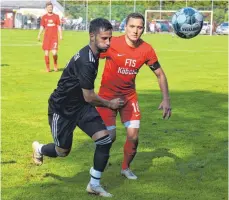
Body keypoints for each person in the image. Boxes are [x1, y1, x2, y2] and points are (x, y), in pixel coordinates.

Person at [32, 18, 124, 197]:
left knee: (104, 140)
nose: (108, 42)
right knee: (62, 151)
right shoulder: (86, 60)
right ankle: (39, 148)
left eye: (110, 38)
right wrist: (110, 104)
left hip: (81, 106)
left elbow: (86, 98)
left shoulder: (94, 53)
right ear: (92, 36)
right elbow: (89, 96)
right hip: (62, 109)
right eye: (104, 38)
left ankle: (94, 184)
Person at [97, 13, 172, 180]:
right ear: (125, 27)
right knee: (110, 137)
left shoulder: (147, 49)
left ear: (143, 29)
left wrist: (166, 99)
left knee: (133, 136)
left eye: (139, 27)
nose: (135, 31)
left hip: (128, 98)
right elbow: (92, 56)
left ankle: (125, 168)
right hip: (107, 98)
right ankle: (97, 169)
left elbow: (160, 74)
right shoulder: (112, 43)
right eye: (132, 26)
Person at [37, 2, 62, 72]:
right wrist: (39, 35)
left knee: (54, 53)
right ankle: (47, 68)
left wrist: (60, 35)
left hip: (54, 38)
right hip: (46, 38)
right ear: (46, 8)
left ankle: (55, 65)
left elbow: (59, 26)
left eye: (51, 7)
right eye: (48, 7)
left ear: (52, 8)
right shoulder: (44, 17)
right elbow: (42, 27)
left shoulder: (56, 16)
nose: (50, 8)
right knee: (46, 53)